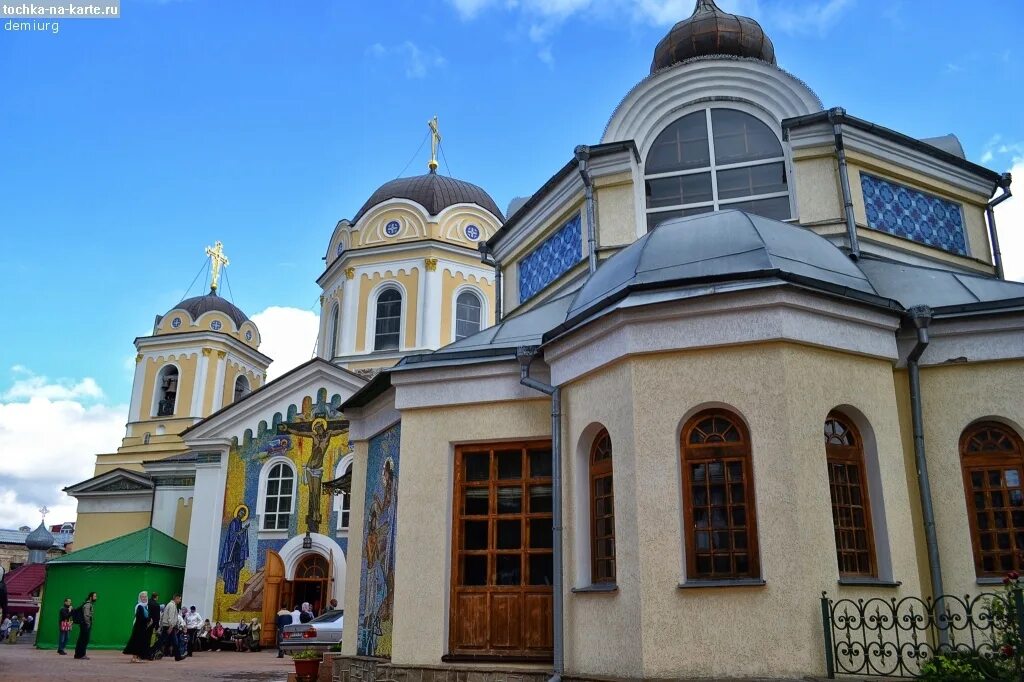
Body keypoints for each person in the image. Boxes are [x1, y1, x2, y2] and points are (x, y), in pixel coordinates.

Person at [123, 591, 151, 663]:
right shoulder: (139, 606)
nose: (144, 598)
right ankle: (134, 658)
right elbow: (140, 618)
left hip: (143, 626)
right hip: (139, 627)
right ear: (140, 598)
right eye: (143, 597)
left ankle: (137, 657)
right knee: (137, 641)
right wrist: (149, 619)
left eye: (145, 596)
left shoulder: (145, 606)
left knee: (140, 642)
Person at [158, 594, 184, 661]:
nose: (180, 601)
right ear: (176, 598)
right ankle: (178, 657)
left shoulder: (170, 604)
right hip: (169, 626)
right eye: (179, 599)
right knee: (172, 642)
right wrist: (171, 626)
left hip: (167, 626)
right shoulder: (172, 605)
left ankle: (178, 656)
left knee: (162, 640)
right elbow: (171, 617)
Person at [74, 591, 97, 659]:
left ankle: (77, 654)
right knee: (84, 640)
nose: (96, 598)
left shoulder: (86, 604)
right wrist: (88, 624)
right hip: (85, 625)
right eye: (95, 596)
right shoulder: (88, 604)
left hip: (83, 624)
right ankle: (81, 655)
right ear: (91, 597)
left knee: (81, 639)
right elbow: (86, 615)